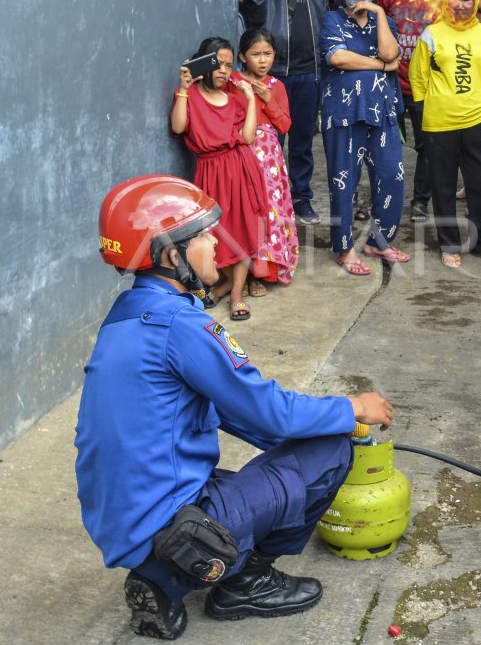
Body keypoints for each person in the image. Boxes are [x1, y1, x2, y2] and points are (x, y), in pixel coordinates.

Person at [77, 174, 394, 640]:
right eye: (202, 235)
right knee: (330, 449)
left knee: (297, 444)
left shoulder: (128, 316)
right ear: (171, 255)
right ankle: (244, 581)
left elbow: (229, 410)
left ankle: (159, 577)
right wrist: (350, 410)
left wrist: (291, 436)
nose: (215, 243)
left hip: (121, 520)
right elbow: (267, 411)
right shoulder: (180, 326)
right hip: (168, 522)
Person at [318, 0, 408, 276]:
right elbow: (337, 57)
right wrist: (381, 66)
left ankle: (378, 242)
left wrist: (380, 14)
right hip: (343, 113)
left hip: (381, 111)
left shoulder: (386, 21)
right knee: (344, 184)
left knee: (392, 176)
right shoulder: (332, 20)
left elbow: (390, 54)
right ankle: (344, 248)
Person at [409, 0, 481, 267]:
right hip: (440, 122)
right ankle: (449, 244)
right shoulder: (432, 33)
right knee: (444, 186)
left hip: (477, 119)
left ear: (475, 1)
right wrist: (429, 110)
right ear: (445, 1)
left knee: (480, 184)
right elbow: (417, 76)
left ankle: (480, 243)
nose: (461, 5)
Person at [240, 0, 329, 225]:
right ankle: (268, 197)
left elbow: (324, 21)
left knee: (303, 139)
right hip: (272, 74)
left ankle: (301, 198)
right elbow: (253, 15)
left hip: (309, 73)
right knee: (269, 139)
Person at [170, 37, 264, 322]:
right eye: (217, 63)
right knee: (216, 234)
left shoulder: (235, 99)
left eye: (228, 64)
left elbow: (247, 138)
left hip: (240, 168)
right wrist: (184, 90)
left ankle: (236, 294)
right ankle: (224, 284)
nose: (224, 70)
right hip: (210, 171)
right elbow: (178, 127)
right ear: (202, 63)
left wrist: (250, 100)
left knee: (243, 230)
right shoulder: (191, 95)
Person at [229, 28, 300, 295]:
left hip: (269, 158)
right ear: (242, 56)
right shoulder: (232, 83)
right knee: (244, 211)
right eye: (255, 54)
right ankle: (240, 273)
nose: (262, 60)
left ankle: (260, 273)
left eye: (268, 54)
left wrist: (268, 100)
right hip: (241, 153)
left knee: (267, 211)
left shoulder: (276, 86)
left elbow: (285, 125)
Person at [376, 0, 436, 224]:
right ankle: (385, 200)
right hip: (392, 85)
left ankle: (420, 202)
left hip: (427, 88)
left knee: (428, 148)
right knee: (387, 147)